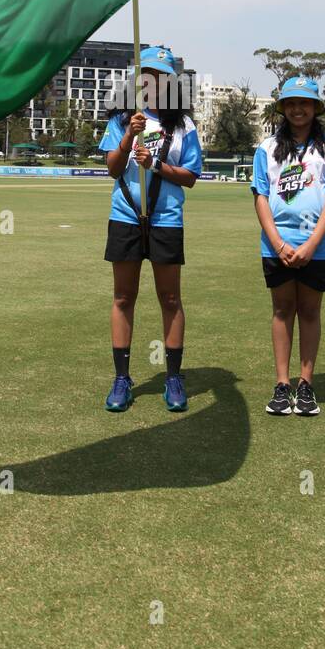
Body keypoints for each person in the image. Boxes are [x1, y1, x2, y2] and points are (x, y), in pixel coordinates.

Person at [99, 45, 203, 413]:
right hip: (125, 217)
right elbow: (112, 169)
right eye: (147, 75)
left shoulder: (184, 125)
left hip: (166, 220)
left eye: (161, 77)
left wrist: (155, 164)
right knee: (123, 298)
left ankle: (173, 377)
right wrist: (129, 136)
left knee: (170, 299)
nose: (152, 83)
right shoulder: (121, 119)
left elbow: (190, 177)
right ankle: (122, 378)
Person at [251, 77, 325, 417]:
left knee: (310, 312)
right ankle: (282, 385)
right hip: (276, 245)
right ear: (283, 108)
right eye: (292, 103)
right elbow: (261, 198)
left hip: (317, 247)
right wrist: (278, 243)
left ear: (315, 108)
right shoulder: (266, 149)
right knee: (282, 311)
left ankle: (306, 385)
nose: (298, 109)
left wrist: (311, 244)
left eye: (305, 103)